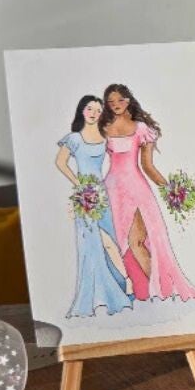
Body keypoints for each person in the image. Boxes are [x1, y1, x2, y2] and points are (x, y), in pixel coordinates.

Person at [100, 83, 195, 302]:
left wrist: (171, 190)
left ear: (128, 100)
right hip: (111, 190)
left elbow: (148, 166)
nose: (116, 104)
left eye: (120, 100)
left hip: (136, 189)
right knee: (115, 242)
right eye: (111, 101)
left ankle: (163, 291)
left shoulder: (141, 129)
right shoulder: (103, 127)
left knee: (137, 241)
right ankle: (137, 291)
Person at [55, 95, 132, 317]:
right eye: (90, 109)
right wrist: (78, 184)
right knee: (94, 244)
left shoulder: (104, 136)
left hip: (103, 194)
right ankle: (112, 289)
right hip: (86, 196)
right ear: (82, 110)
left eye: (98, 110)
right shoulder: (74, 138)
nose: (94, 113)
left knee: (112, 240)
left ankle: (120, 285)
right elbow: (60, 162)